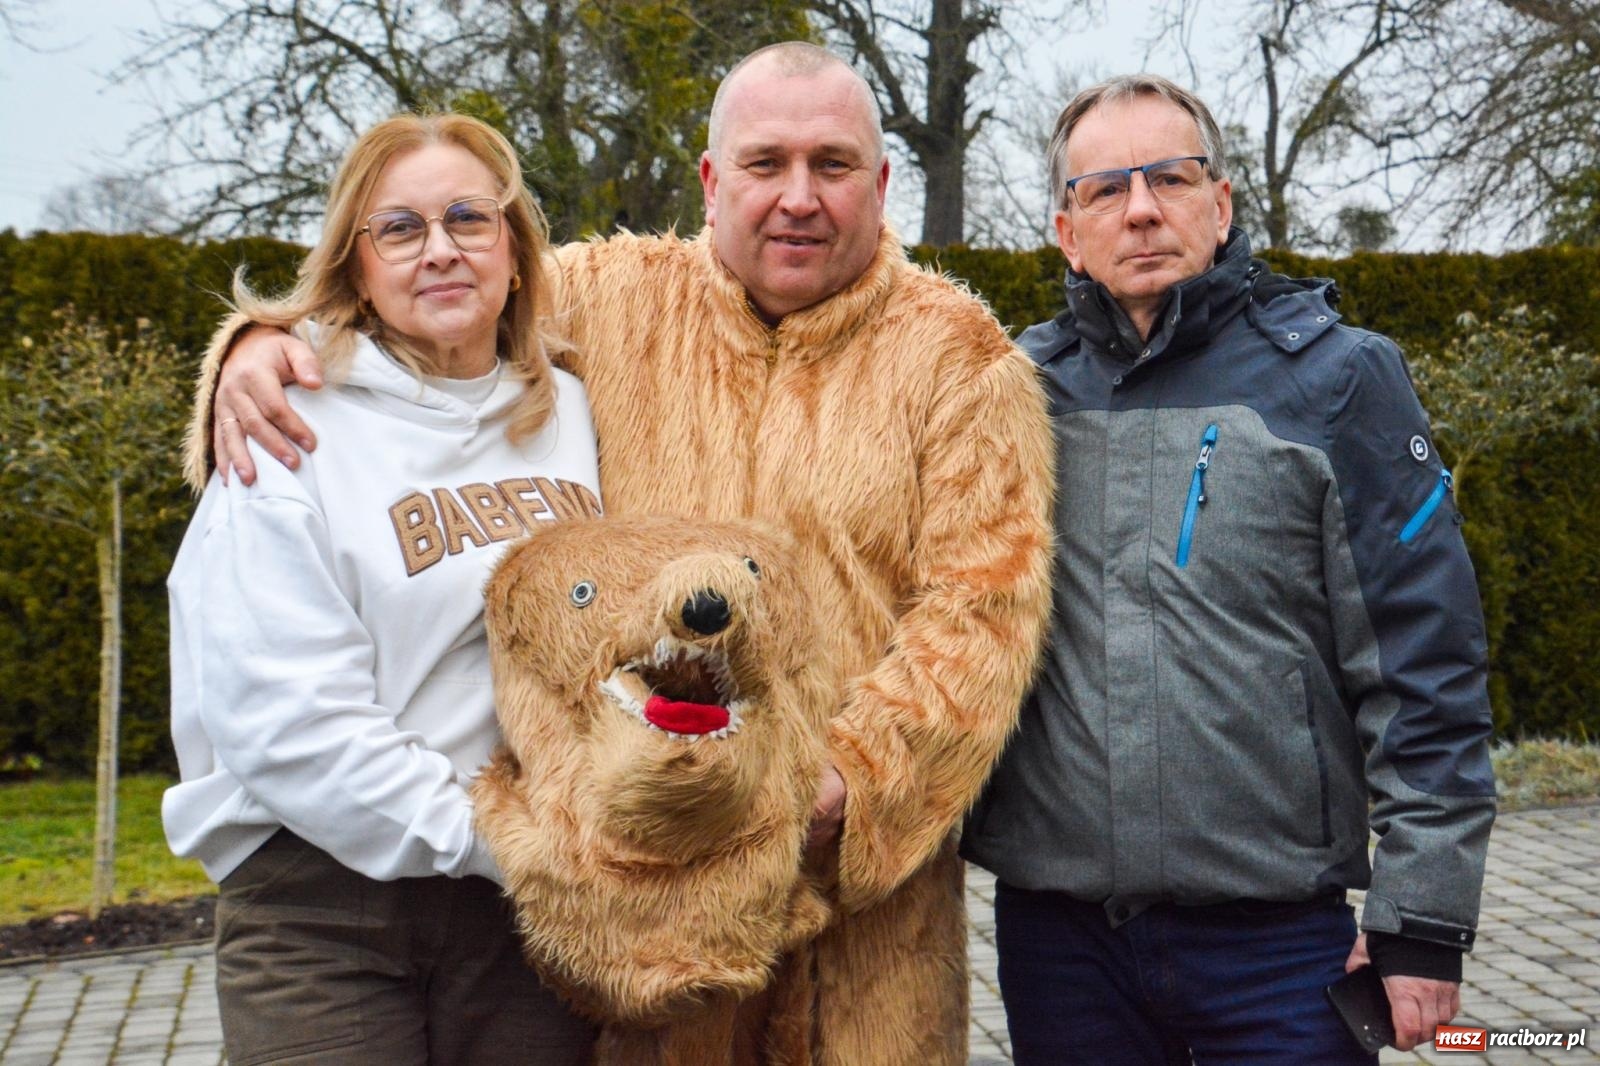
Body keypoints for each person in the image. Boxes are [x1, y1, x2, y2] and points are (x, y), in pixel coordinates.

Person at [185, 42, 1054, 1066]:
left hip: (855, 917)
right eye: (765, 163)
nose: (798, 197)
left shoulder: (962, 362)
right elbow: (421, 302)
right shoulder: (603, 300)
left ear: (881, 181)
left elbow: (981, 615)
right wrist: (256, 349)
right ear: (711, 179)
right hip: (633, 907)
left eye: (831, 164)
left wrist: (842, 785)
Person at [959, 74, 1497, 1063]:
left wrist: (1420, 916)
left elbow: (1427, 660)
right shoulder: (1010, 398)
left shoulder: (1338, 381)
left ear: (1222, 203)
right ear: (1066, 231)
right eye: (1103, 189)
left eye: (1170, 176)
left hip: (1282, 948)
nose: (1141, 209)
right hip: (1060, 947)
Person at [163, 113, 601, 1066]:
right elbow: (283, 718)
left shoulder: (573, 409)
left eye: (467, 219)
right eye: (398, 229)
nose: (439, 249)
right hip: (323, 903)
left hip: (522, 910)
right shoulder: (287, 419)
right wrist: (500, 838)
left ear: (517, 252)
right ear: (357, 267)